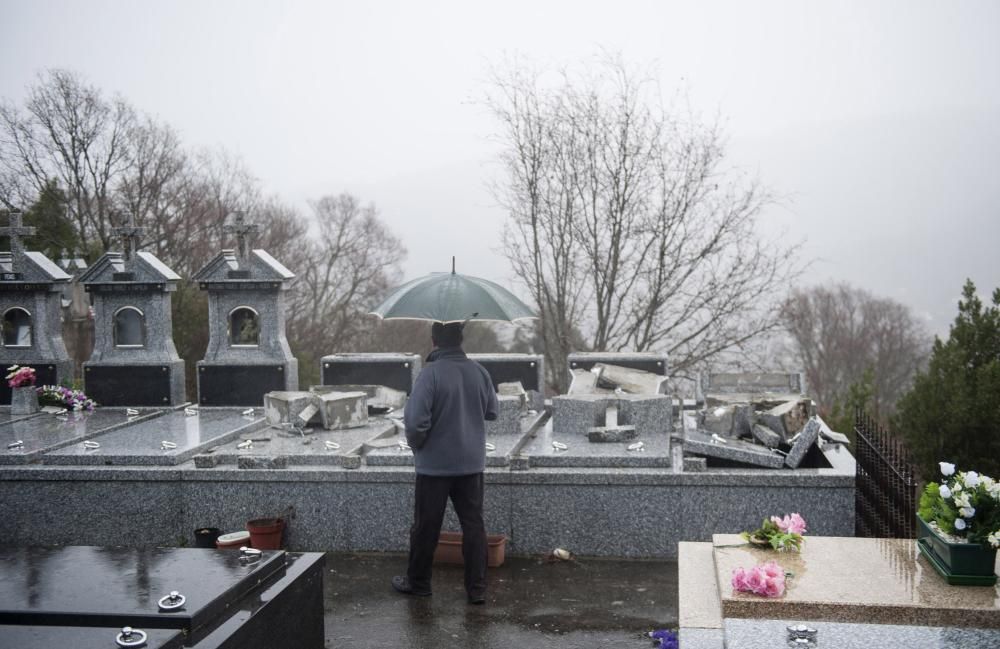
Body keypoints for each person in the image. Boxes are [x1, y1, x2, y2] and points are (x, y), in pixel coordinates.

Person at [391, 321, 498, 605]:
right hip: (472, 465)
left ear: (434, 341)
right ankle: (477, 589)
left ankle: (419, 583)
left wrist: (418, 447)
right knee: (474, 525)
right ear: (461, 339)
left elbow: (415, 424)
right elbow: (491, 411)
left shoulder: (430, 375)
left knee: (427, 526)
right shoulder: (479, 372)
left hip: (434, 467)